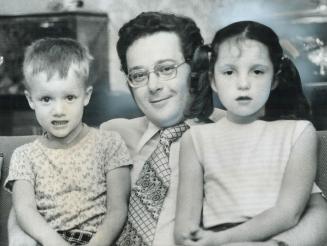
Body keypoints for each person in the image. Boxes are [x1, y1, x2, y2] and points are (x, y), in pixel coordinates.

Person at [8, 12, 327, 246]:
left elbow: (315, 212)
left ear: (197, 68)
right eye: (139, 74)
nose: (154, 86)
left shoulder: (236, 132)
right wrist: (21, 238)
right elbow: (41, 191)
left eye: (166, 69)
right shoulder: (110, 134)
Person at [174, 20, 324, 246]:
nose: (243, 83)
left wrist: (223, 239)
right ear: (213, 79)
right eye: (228, 72)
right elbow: (185, 225)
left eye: (257, 71)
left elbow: (288, 213)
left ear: (274, 78)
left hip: (273, 239)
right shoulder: (196, 139)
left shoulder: (298, 132)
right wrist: (194, 240)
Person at [4, 38, 132, 246]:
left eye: (70, 97)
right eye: (46, 99)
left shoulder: (109, 143)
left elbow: (118, 209)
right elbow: (24, 209)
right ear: (30, 100)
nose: (59, 110)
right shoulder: (24, 155)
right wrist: (54, 242)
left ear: (86, 96)